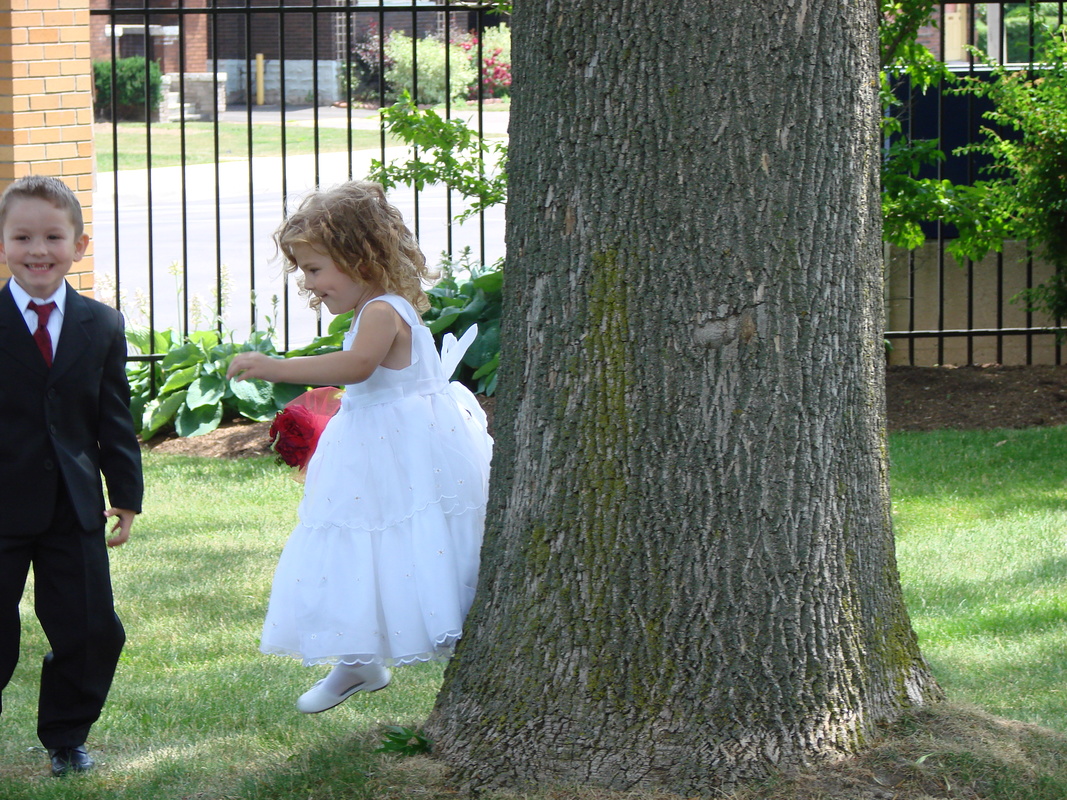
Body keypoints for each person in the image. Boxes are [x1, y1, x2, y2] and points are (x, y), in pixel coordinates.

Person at [227, 180, 491, 713]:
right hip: (375, 454)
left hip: (404, 454)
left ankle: (371, 656)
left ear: (360, 258)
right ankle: (358, 660)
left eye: (316, 268)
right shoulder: (371, 310)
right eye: (303, 270)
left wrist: (276, 367)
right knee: (360, 550)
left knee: (405, 542)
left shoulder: (382, 311)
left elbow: (358, 367)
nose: (308, 282)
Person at [0, 175, 144, 776]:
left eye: (53, 236)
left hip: (73, 506)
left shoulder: (102, 326)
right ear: (4, 243)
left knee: (92, 632)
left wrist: (126, 497)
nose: (39, 249)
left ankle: (66, 734)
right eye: (24, 236)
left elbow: (114, 418)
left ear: (78, 246)